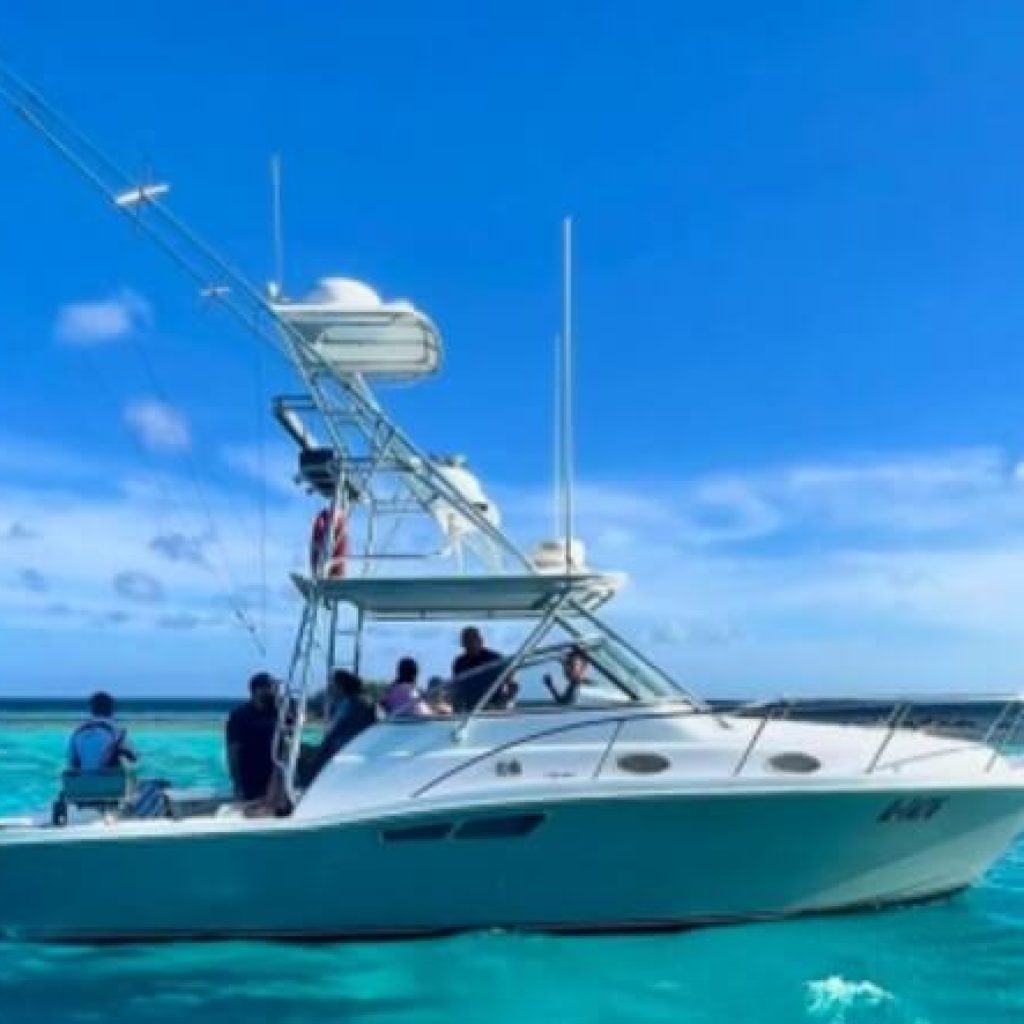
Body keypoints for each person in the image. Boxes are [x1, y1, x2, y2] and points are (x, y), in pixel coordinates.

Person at [305, 669, 379, 781]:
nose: (331, 688)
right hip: (361, 746)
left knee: (313, 759)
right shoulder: (367, 701)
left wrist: (318, 753)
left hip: (344, 748)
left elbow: (334, 731)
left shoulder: (349, 703)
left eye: (334, 684)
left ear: (341, 686)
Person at [225, 672, 279, 802]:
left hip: (275, 777)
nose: (276, 691)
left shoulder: (278, 713)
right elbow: (233, 751)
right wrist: (237, 785)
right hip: (250, 779)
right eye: (272, 687)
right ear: (258, 690)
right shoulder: (240, 715)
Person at [450, 626, 516, 712]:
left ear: (481, 641)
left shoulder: (495, 659)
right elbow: (456, 688)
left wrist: (504, 702)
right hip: (470, 710)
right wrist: (457, 709)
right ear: (462, 644)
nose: (470, 645)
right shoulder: (459, 663)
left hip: (494, 708)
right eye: (467, 642)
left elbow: (513, 684)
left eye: (472, 641)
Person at [67, 691, 138, 771]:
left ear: (92, 709)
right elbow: (134, 758)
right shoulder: (116, 730)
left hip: (83, 780)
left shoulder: (77, 732)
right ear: (111, 709)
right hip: (109, 778)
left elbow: (73, 764)